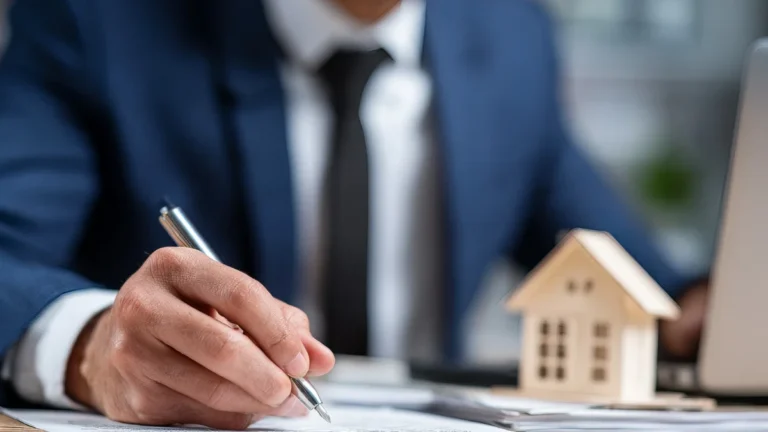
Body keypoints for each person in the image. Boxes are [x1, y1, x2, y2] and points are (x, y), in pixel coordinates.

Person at [0, 0, 707, 428]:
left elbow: (635, 280)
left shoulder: (509, 34)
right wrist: (93, 347)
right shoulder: (97, 20)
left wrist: (714, 315)